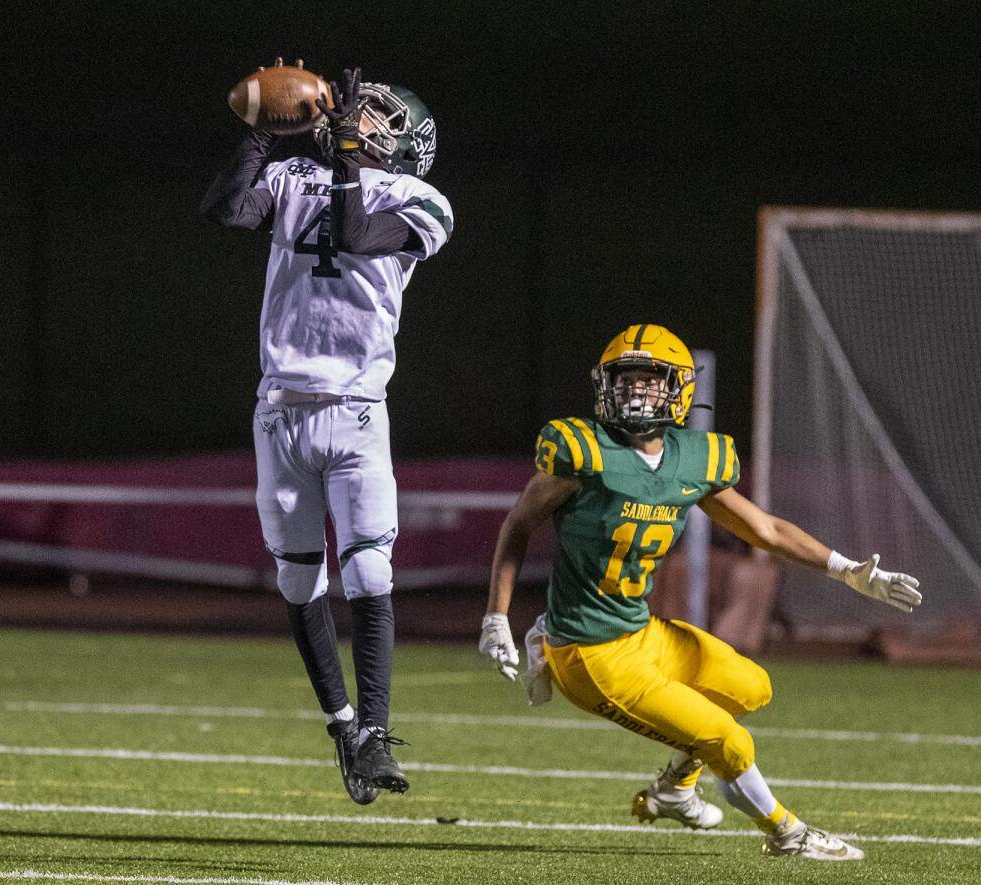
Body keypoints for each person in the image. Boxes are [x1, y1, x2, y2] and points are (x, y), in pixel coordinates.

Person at [479, 324, 921, 861]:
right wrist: (496, 617)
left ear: (678, 391)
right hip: (590, 653)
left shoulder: (696, 458)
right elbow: (518, 526)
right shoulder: (580, 451)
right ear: (605, 387)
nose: (634, 393)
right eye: (625, 382)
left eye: (649, 382)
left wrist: (849, 570)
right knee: (728, 741)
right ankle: (787, 834)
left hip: (641, 632)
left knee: (750, 688)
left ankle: (673, 789)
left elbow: (767, 530)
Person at [201, 65, 453, 806]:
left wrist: (340, 152)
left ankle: (375, 730)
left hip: (356, 406)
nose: (356, 118)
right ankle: (343, 725)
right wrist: (258, 135)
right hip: (279, 405)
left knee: (372, 570)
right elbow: (225, 211)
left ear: (411, 146)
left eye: (377, 117)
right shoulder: (297, 175)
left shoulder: (421, 200)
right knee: (296, 577)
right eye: (357, 110)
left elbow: (356, 232)